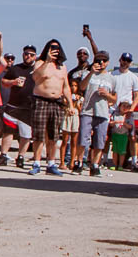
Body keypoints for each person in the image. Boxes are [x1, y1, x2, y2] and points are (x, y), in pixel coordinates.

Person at [27, 39, 72, 175]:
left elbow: (66, 87)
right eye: (52, 48)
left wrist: (70, 104)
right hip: (41, 101)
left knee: (54, 135)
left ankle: (51, 163)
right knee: (39, 134)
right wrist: (47, 61)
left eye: (57, 48)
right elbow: (35, 77)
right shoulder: (40, 63)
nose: (55, 50)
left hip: (56, 102)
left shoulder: (62, 67)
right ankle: (36, 163)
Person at [78, 56, 115, 174]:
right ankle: (78, 162)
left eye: (104, 61)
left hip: (102, 112)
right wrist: (91, 73)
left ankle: (95, 165)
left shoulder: (111, 78)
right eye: (98, 60)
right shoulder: (87, 74)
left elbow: (114, 99)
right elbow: (82, 87)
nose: (101, 63)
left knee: (100, 140)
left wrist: (107, 95)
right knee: (83, 138)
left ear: (108, 62)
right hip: (87, 111)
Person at [107, 54, 138, 170]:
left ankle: (134, 161)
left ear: (130, 62)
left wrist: (131, 109)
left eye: (128, 60)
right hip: (113, 110)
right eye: (124, 60)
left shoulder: (133, 77)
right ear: (120, 60)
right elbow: (108, 91)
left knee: (132, 137)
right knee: (108, 136)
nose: (125, 62)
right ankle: (104, 159)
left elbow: (137, 95)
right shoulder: (112, 74)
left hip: (127, 110)